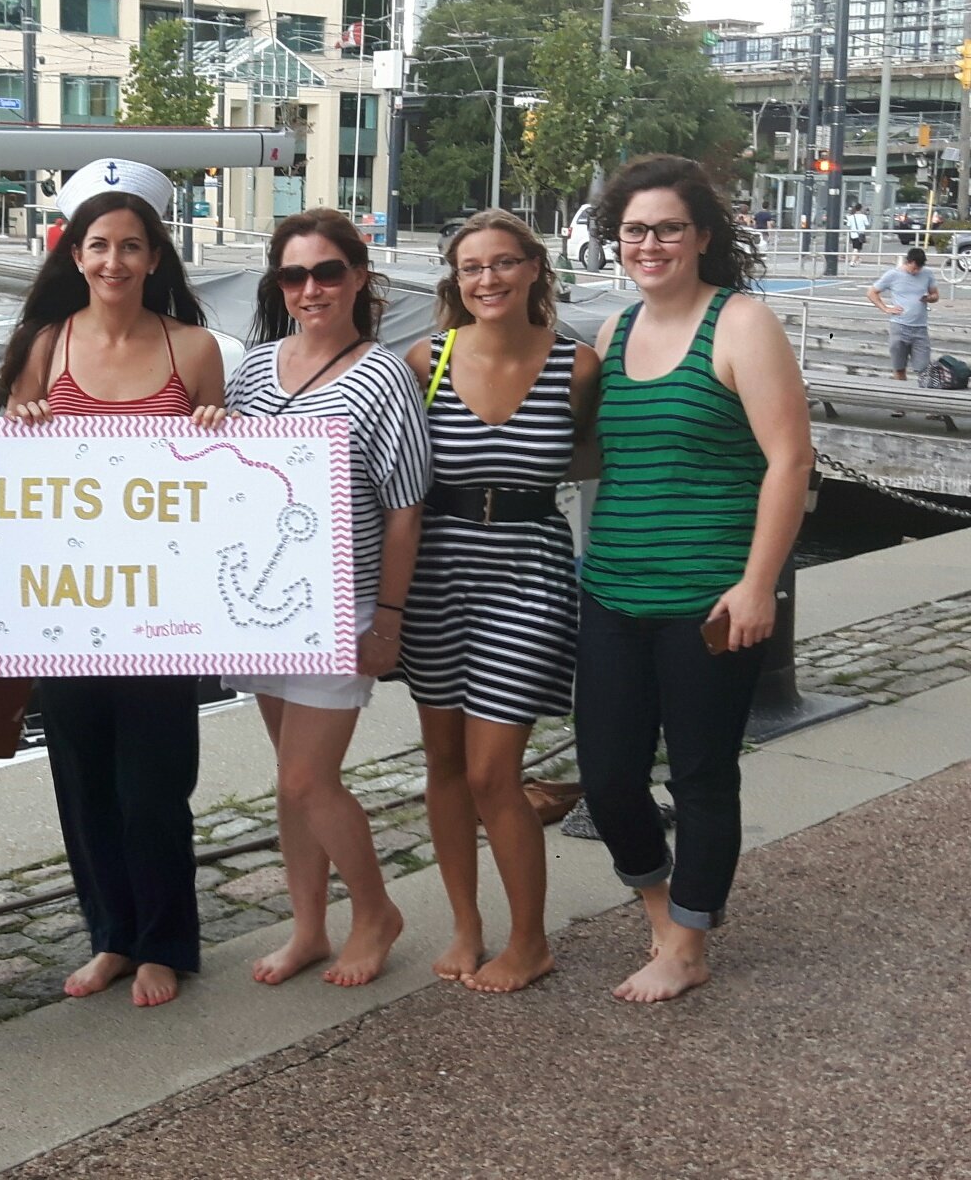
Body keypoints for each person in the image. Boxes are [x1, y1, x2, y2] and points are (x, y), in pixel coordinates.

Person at [579, 154, 813, 1003]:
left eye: (668, 228)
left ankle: (689, 939)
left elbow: (789, 460)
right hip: (610, 590)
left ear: (702, 236)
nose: (649, 243)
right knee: (606, 777)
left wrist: (759, 584)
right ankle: (662, 914)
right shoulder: (612, 334)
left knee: (702, 774)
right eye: (634, 230)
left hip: (709, 596)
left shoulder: (741, 324)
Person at [0, 160, 226, 1008]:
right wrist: (18, 422)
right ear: (76, 253)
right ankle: (111, 937)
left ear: (158, 257)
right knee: (84, 782)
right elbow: (15, 486)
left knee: (157, 786)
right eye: (99, 245)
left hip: (164, 613)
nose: (115, 262)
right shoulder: (43, 347)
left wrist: (215, 427)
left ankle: (166, 940)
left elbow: (220, 481)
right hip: (68, 610)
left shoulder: (194, 350)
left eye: (133, 246)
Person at [223, 208, 431, 988]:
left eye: (327, 272)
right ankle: (308, 925)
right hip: (266, 602)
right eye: (294, 275)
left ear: (358, 278)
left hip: (339, 609)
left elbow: (405, 507)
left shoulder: (383, 377)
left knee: (308, 779)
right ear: (279, 285)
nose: (311, 289)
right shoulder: (252, 367)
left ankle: (375, 911)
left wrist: (390, 615)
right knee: (290, 776)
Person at [399, 209, 600, 994]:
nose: (488, 279)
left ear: (534, 271)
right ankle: (465, 925)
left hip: (528, 569)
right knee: (444, 762)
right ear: (455, 279)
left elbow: (589, 452)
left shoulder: (575, 366)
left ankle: (529, 940)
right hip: (439, 569)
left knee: (493, 772)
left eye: (504, 263)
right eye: (472, 267)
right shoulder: (427, 361)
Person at [869, 246, 939, 381]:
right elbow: (871, 292)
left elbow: (935, 295)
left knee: (924, 368)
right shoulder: (893, 275)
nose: (916, 271)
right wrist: (885, 308)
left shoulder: (928, 274)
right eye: (914, 268)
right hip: (899, 326)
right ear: (908, 262)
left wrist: (930, 298)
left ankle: (921, 396)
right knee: (899, 367)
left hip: (920, 328)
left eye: (919, 268)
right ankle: (900, 394)